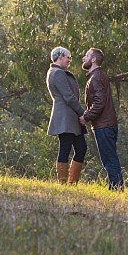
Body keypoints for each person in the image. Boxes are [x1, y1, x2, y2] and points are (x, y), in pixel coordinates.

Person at [79, 47, 124, 190]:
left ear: (93, 59)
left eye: (86, 55)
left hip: (104, 125)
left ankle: (117, 188)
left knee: (109, 158)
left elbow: (99, 103)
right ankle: (114, 187)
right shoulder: (96, 76)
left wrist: (86, 117)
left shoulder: (96, 77)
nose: (83, 58)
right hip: (105, 124)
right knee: (108, 158)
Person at [46, 46, 88, 184]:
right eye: (68, 57)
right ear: (60, 57)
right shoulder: (57, 73)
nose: (69, 60)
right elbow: (69, 97)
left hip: (71, 117)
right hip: (65, 117)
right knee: (65, 147)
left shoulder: (59, 72)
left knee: (81, 148)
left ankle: (72, 182)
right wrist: (83, 113)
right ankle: (63, 183)